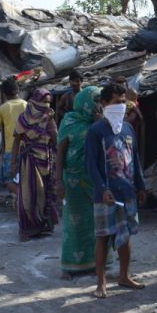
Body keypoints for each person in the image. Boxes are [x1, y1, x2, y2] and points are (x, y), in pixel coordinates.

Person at [86, 84, 147, 298]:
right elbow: (91, 164)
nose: (120, 106)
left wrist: (140, 185)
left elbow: (135, 158)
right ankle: (101, 282)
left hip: (127, 190)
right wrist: (102, 188)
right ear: (104, 104)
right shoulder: (96, 131)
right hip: (106, 194)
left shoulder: (128, 128)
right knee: (103, 236)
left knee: (125, 235)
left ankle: (124, 276)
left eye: (123, 102)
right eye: (116, 102)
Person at [56, 86, 100, 278]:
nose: (98, 105)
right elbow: (60, 153)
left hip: (95, 180)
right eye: (95, 101)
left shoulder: (99, 123)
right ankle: (72, 266)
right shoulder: (69, 121)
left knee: (95, 223)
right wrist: (58, 181)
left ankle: (96, 262)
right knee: (74, 224)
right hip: (73, 181)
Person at [10, 88, 59, 241]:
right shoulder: (23, 119)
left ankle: (43, 224)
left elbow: (56, 139)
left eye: (48, 102)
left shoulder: (48, 118)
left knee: (44, 194)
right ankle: (28, 227)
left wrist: (49, 123)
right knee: (29, 195)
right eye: (43, 102)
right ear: (34, 101)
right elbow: (16, 141)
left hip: (46, 159)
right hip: (29, 160)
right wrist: (12, 163)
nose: (46, 105)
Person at [0, 79, 28, 193]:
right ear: (18, 90)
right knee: (25, 180)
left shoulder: (2, 108)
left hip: (10, 151)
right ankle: (25, 201)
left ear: (4, 93)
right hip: (27, 149)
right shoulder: (26, 105)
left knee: (10, 181)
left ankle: (23, 199)